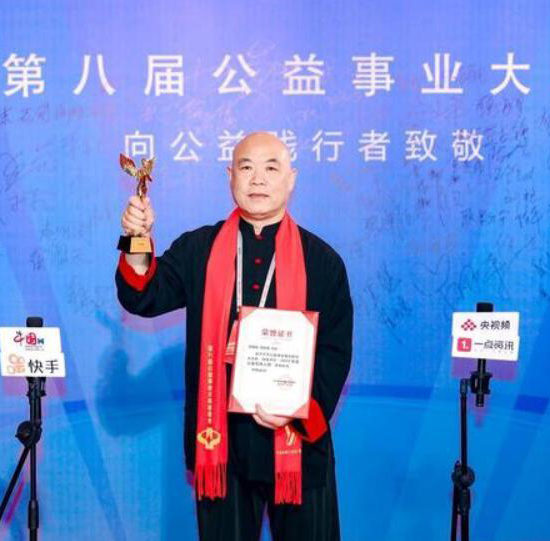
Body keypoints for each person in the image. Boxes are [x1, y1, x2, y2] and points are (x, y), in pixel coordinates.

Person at [115, 132, 353, 541]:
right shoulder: (198, 248)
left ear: (291, 179)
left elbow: (335, 351)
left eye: (271, 168)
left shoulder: (323, 261)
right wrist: (137, 238)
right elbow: (144, 296)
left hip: (297, 443)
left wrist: (300, 411)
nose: (257, 179)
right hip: (221, 446)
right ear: (230, 176)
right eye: (246, 167)